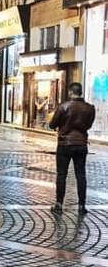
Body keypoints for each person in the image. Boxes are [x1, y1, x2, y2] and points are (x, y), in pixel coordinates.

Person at [48, 82, 95, 216]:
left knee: (62, 174)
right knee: (81, 175)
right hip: (81, 144)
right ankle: (81, 205)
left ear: (70, 92)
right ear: (80, 92)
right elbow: (89, 125)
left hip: (65, 144)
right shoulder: (90, 108)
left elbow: (53, 124)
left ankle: (59, 204)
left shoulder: (64, 106)